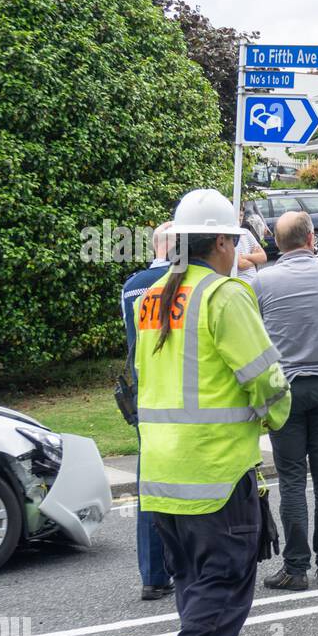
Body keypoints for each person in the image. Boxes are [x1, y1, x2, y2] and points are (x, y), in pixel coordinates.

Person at [136, 188, 292, 636]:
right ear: (224, 242)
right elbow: (265, 374)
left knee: (192, 580)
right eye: (234, 241)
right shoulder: (225, 296)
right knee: (226, 582)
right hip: (216, 469)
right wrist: (277, 416)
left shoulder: (151, 295)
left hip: (160, 468)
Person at [249, 211, 318, 591]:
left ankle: (296, 567)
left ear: (276, 242)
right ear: (311, 240)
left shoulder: (262, 281)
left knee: (292, 479)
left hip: (285, 388)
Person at [120, 222, 177, 602]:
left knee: (148, 483)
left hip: (142, 391)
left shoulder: (132, 287)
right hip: (177, 391)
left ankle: (153, 575)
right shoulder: (182, 284)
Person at [235, 205, 268, 275]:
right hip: (242, 282)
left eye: (241, 215)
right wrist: (254, 258)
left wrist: (245, 256)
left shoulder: (246, 232)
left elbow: (263, 257)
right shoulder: (229, 237)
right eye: (237, 215)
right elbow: (241, 264)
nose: (240, 218)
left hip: (254, 281)